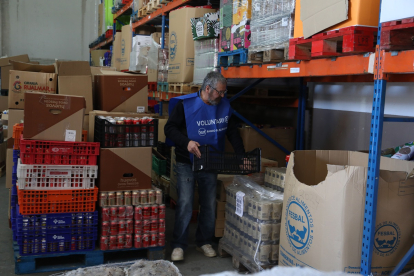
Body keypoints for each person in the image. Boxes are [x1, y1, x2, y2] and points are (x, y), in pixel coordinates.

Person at [165, 71, 245, 261]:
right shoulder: (185, 105)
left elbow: (232, 131)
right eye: (220, 92)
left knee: (208, 203)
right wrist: (187, 143)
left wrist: (241, 156)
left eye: (225, 92)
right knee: (185, 202)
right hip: (187, 161)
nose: (222, 96)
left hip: (210, 161)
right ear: (207, 88)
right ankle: (179, 245)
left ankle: (203, 242)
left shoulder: (223, 106)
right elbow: (169, 128)